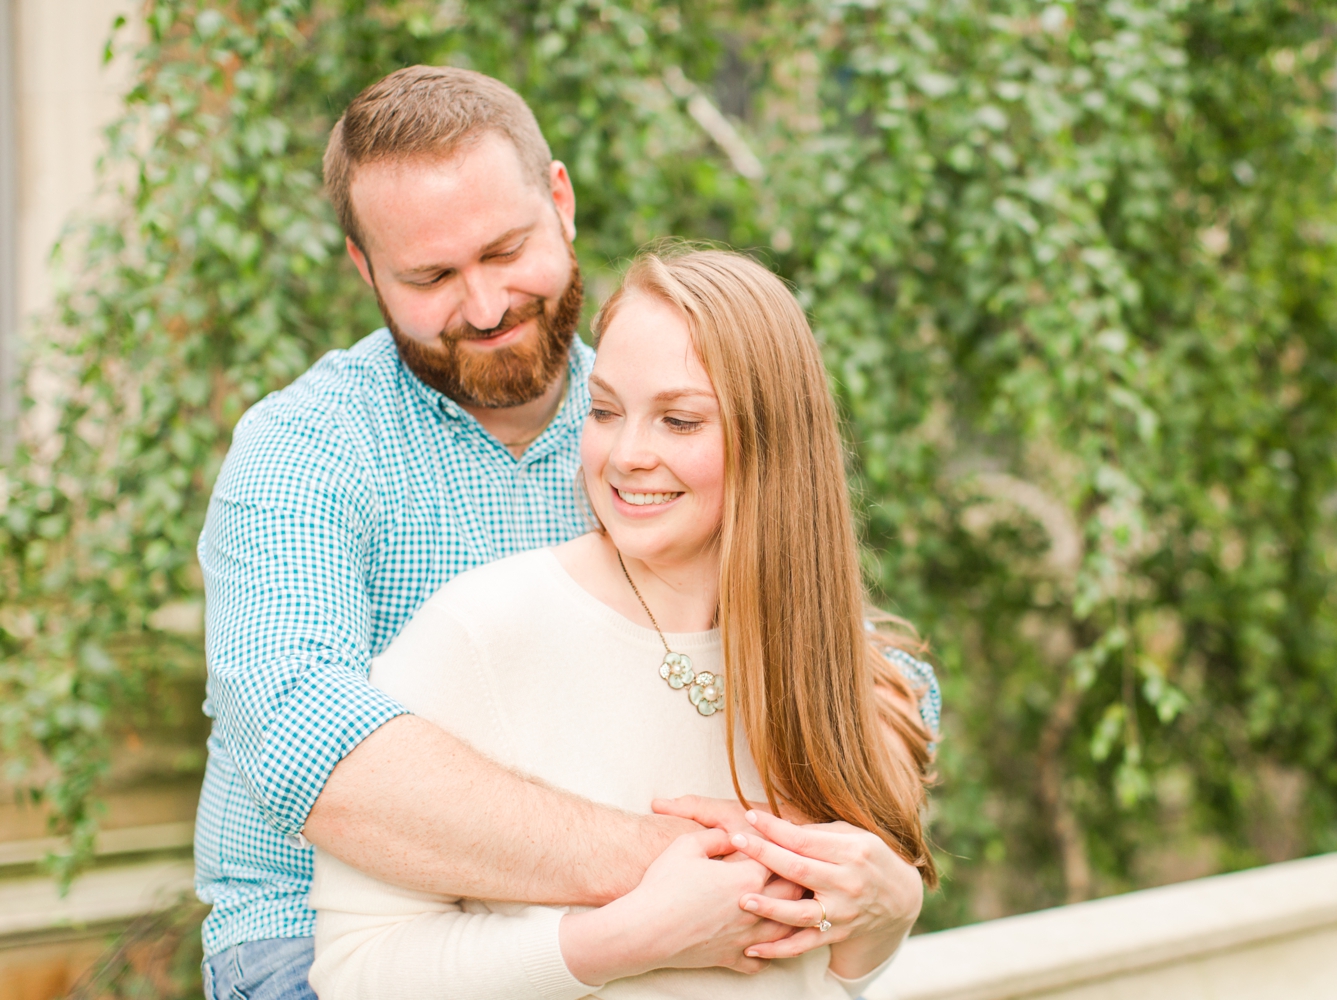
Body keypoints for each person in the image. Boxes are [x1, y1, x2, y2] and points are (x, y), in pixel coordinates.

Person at [193, 67, 940, 1000]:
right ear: (364, 268)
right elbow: (303, 737)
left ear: (561, 200)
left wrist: (874, 871)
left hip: (638, 938)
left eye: (505, 251)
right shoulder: (305, 451)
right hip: (316, 948)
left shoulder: (653, 414)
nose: (485, 306)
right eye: (430, 276)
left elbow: (837, 636)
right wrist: (668, 870)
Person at [307, 246, 938, 999]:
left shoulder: (840, 663)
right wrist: (627, 939)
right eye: (605, 411)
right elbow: (355, 976)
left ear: (776, 443)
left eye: (678, 420)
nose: (628, 454)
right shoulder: (476, 634)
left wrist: (891, 910)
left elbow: (825, 977)